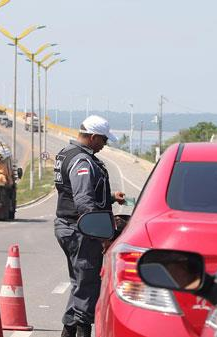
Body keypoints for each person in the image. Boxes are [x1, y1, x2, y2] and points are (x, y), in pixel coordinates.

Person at [54, 115, 125, 337]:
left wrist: (111, 197)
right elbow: (83, 200)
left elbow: (76, 191)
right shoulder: (82, 161)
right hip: (80, 230)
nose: (104, 145)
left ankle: (68, 332)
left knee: (79, 284)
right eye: (103, 140)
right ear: (93, 137)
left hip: (70, 226)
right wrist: (101, 234)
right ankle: (82, 331)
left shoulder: (67, 153)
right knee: (87, 285)